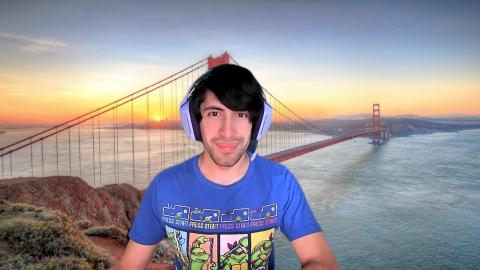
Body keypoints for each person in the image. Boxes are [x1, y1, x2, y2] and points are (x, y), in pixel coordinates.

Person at [112, 64, 339, 270]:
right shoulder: (164, 186)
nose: (227, 131)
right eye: (214, 113)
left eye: (240, 114)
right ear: (194, 122)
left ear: (256, 125)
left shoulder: (280, 182)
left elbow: (320, 261)